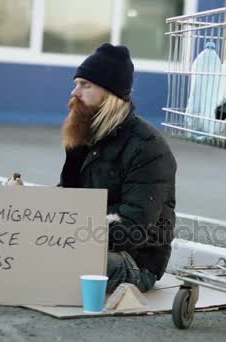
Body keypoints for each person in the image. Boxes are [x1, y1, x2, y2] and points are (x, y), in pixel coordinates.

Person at [58, 43, 177, 294]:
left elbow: (135, 229)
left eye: (85, 85)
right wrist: (25, 202)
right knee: (35, 248)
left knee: (69, 260)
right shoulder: (84, 134)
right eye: (77, 83)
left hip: (135, 260)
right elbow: (66, 199)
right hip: (85, 242)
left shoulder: (148, 147)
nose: (74, 92)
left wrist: (70, 237)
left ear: (110, 93)